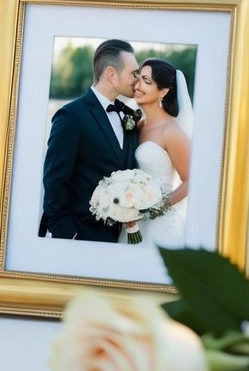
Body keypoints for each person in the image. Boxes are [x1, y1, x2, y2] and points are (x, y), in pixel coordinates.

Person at [40, 39, 140, 242]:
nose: (137, 79)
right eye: (133, 73)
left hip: (118, 238)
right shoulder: (71, 116)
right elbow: (54, 181)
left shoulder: (128, 115)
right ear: (112, 74)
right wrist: (66, 232)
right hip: (80, 235)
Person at [124, 57, 192, 248]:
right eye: (138, 78)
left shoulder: (171, 131)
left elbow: (190, 181)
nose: (137, 85)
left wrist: (154, 209)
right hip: (132, 220)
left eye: (147, 81)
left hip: (159, 224)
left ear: (163, 91)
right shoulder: (139, 124)